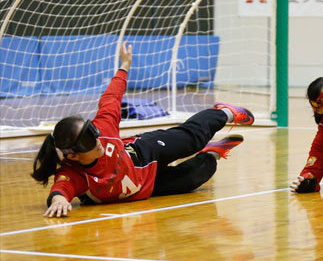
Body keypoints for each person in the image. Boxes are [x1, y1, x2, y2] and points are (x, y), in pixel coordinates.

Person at [31, 41, 255, 217]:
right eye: (88, 140)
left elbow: (111, 96)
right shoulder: (76, 174)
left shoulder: (104, 128)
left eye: (92, 131)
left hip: (143, 151)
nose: (97, 139)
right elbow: (62, 189)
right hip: (146, 186)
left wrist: (124, 66)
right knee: (195, 177)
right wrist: (59, 200)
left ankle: (224, 113)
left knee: (191, 139)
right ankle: (213, 152)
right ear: (74, 155)